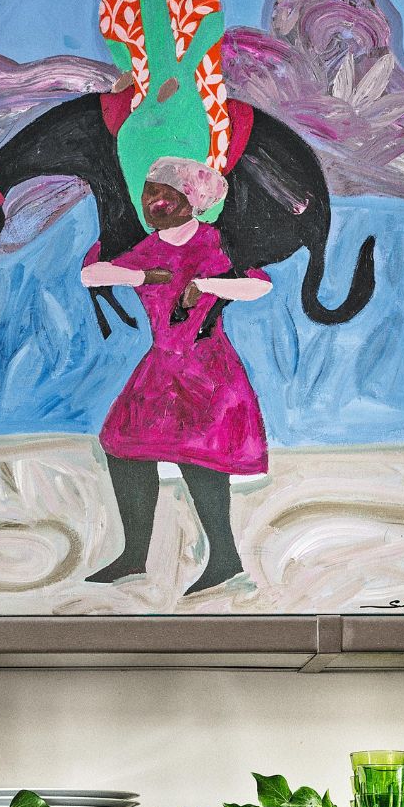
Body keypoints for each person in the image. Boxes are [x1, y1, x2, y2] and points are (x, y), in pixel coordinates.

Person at [80, 155, 272, 598]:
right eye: (150, 193)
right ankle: (134, 555)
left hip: (207, 367)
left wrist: (204, 285)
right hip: (163, 365)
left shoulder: (214, 242)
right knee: (123, 446)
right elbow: (92, 274)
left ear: (193, 201)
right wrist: (145, 274)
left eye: (168, 195)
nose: (155, 203)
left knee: (197, 457)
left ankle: (224, 558)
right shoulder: (151, 247)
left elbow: (259, 284)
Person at [74, 0, 230, 229]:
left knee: (183, 152)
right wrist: (127, 68)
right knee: (130, 138)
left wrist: (181, 70)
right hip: (148, 92)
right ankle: (153, 235)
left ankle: (195, 231)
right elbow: (110, 27)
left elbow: (211, 21)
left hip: (190, 86)